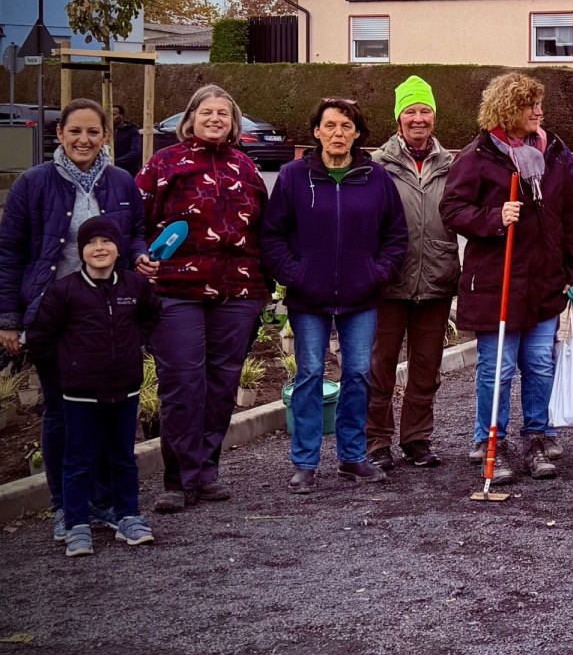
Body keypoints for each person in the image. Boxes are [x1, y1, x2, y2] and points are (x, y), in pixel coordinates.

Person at [0, 98, 146, 539]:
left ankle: (102, 503)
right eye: (75, 131)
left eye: (93, 132)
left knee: (108, 412)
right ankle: (67, 506)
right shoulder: (33, 183)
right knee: (64, 414)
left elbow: (136, 232)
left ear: (106, 137)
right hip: (53, 316)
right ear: (60, 134)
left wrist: (139, 257)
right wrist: (9, 318)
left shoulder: (121, 182)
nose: (84, 140)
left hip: (106, 315)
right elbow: (9, 255)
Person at [442, 72, 573, 483]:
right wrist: (494, 218)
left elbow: (570, 215)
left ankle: (537, 436)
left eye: (538, 104)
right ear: (507, 110)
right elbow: (452, 210)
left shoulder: (554, 152)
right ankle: (492, 440)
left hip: (544, 279)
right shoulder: (477, 157)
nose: (538, 111)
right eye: (529, 105)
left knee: (541, 364)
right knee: (499, 368)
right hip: (497, 281)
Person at [263, 98, 410, 493]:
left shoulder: (376, 177)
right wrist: (294, 273)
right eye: (330, 126)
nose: (338, 133)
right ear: (316, 132)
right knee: (309, 375)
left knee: (358, 374)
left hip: (360, 297)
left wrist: (376, 273)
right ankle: (305, 462)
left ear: (358, 133)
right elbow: (273, 235)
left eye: (346, 126)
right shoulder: (294, 177)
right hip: (308, 297)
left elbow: (396, 236)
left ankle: (352, 456)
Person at [135, 85, 269, 512]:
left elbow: (265, 230)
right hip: (177, 290)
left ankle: (205, 472)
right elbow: (135, 222)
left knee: (221, 384)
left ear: (234, 123)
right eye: (207, 112)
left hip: (239, 291)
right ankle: (177, 478)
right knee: (183, 385)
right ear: (189, 117)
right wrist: (139, 256)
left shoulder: (246, 167)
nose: (216, 119)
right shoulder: (164, 164)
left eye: (224, 114)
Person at [25, 216, 160, 555]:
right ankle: (76, 523)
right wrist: (68, 366)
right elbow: (42, 337)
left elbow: (151, 316)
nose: (99, 248)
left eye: (107, 242)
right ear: (80, 250)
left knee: (122, 456)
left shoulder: (135, 286)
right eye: (91, 243)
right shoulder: (64, 291)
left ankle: (128, 515)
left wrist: (135, 345)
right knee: (78, 459)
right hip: (79, 392)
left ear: (119, 249)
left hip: (125, 388)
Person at [367, 75, 458, 470]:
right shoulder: (376, 165)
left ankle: (417, 438)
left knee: (426, 368)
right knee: (379, 365)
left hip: (436, 278)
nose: (418, 119)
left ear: (433, 117)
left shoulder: (452, 164)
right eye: (411, 111)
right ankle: (377, 441)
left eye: (425, 111)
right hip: (389, 282)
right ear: (398, 117)